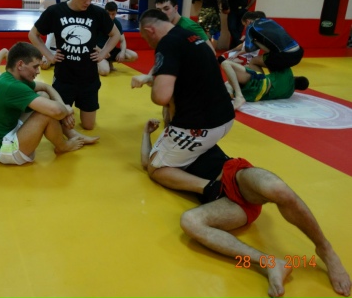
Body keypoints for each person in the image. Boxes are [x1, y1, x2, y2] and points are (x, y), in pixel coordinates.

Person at [141, 120, 351, 298]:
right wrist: (146, 133)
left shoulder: (184, 130)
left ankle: (325, 249)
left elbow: (173, 107)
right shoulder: (159, 156)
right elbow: (146, 163)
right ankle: (270, 263)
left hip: (234, 174)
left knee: (278, 189)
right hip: (223, 203)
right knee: (189, 221)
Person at [132, 9, 235, 192]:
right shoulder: (189, 36)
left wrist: (154, 83)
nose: (148, 43)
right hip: (226, 118)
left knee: (155, 169)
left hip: (201, 127)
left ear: (149, 31)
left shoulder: (167, 43)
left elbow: (161, 97)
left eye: (145, 38)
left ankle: (211, 189)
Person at [28, 0, 121, 130]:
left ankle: (73, 110)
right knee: (59, 125)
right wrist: (49, 55)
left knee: (88, 126)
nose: (88, 2)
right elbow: (33, 34)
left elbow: (116, 35)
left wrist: (103, 54)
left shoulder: (97, 13)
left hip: (88, 78)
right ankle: (67, 109)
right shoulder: (56, 12)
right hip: (64, 77)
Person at [0, 42, 98, 165]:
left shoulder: (9, 78)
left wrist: (63, 106)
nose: (38, 72)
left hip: (6, 135)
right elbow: (57, 111)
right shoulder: (12, 86)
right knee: (47, 112)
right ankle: (62, 146)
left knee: (43, 96)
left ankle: (71, 134)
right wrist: (67, 110)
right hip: (3, 150)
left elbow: (46, 87)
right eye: (35, 67)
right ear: (20, 65)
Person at [221, 59, 309, 110]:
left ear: (296, 77)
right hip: (253, 96)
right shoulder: (288, 94)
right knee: (229, 83)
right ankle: (233, 92)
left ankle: (238, 95)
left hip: (258, 83)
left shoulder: (288, 74)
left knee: (226, 63)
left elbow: (272, 61)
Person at [96, 1, 139, 76]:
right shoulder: (98, 22)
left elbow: (122, 40)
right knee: (104, 71)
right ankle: (95, 64)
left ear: (116, 13)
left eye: (113, 14)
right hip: (99, 51)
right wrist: (101, 51)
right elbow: (90, 42)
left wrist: (122, 52)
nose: (110, 17)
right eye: (108, 14)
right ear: (105, 12)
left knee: (133, 56)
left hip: (111, 51)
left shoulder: (116, 23)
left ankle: (109, 61)